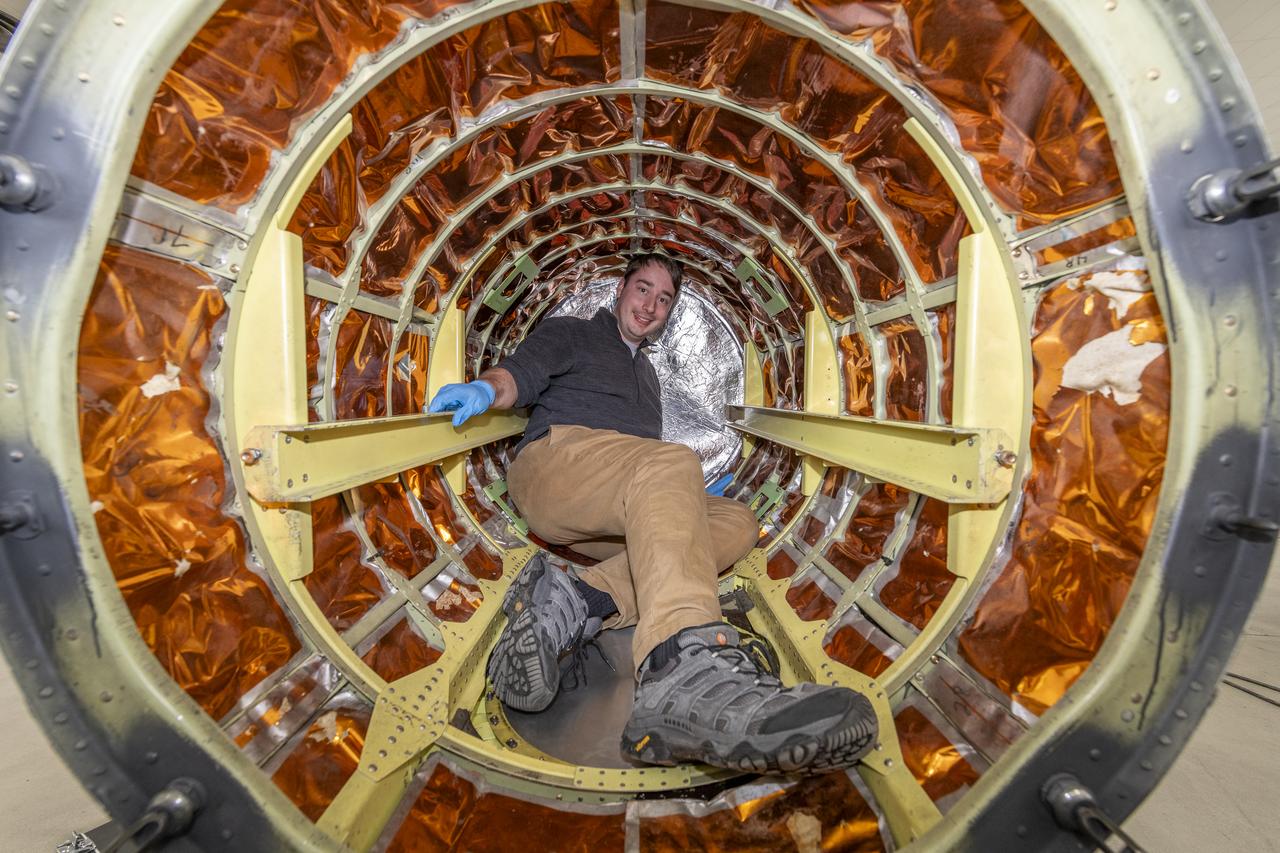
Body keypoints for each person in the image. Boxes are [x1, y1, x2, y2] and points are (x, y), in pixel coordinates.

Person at [427, 253, 877, 774]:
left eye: (664, 300)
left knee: (736, 522)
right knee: (671, 462)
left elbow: (644, 475)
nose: (651, 306)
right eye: (643, 289)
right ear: (621, 289)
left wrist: (690, 492)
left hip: (612, 507)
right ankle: (681, 670)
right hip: (556, 467)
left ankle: (581, 598)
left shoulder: (651, 379)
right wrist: (487, 389)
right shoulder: (573, 333)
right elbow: (518, 376)